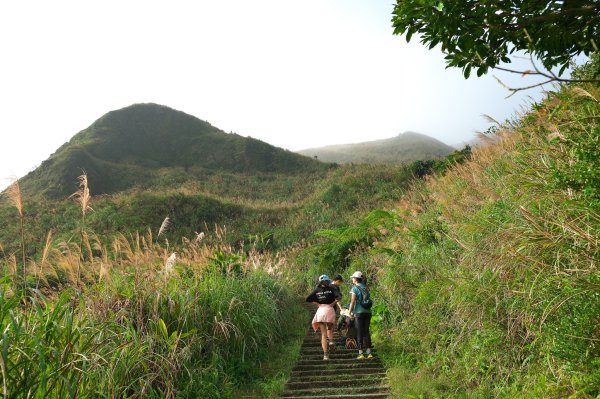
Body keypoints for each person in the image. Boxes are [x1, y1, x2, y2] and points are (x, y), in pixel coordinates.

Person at [306, 274, 338, 360]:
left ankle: (325, 355)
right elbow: (339, 297)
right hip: (330, 310)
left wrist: (318, 304)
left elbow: (308, 299)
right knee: (330, 329)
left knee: (323, 335)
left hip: (321, 311)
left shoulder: (317, 290)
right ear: (326, 281)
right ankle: (331, 341)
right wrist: (333, 303)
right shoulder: (332, 289)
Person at [348, 271, 373, 359]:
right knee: (366, 331)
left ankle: (360, 353)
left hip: (358, 312)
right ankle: (369, 352)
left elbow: (352, 301)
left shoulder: (355, 288)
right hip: (368, 312)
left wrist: (349, 312)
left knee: (359, 331)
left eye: (353, 278)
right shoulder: (365, 287)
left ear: (355, 279)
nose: (352, 279)